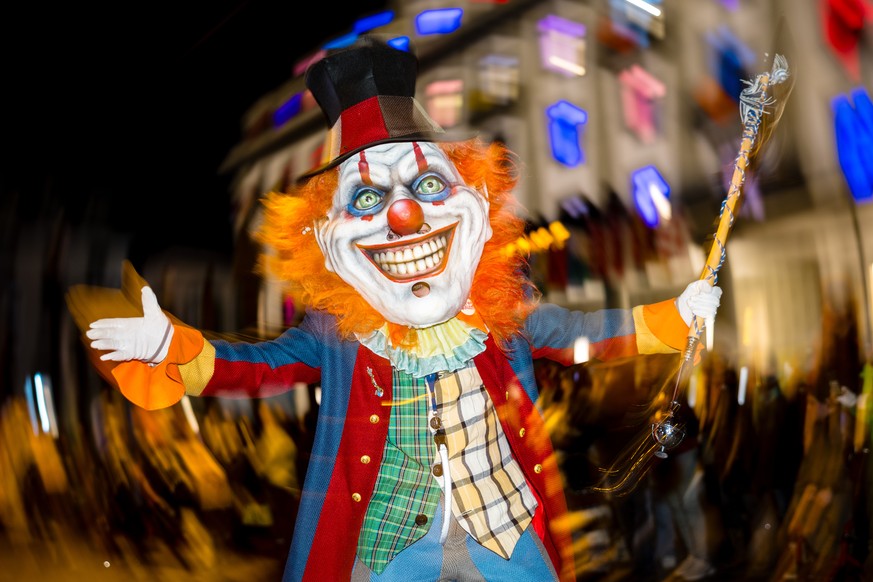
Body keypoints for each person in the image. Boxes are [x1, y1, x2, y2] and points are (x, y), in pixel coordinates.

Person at [67, 35, 722, 582]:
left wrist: (674, 315)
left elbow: (582, 335)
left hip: (507, 530)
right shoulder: (336, 333)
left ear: (474, 201)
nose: (404, 216)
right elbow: (258, 367)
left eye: (429, 184)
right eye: (365, 200)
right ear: (324, 239)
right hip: (389, 547)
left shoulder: (502, 312)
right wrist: (175, 349)